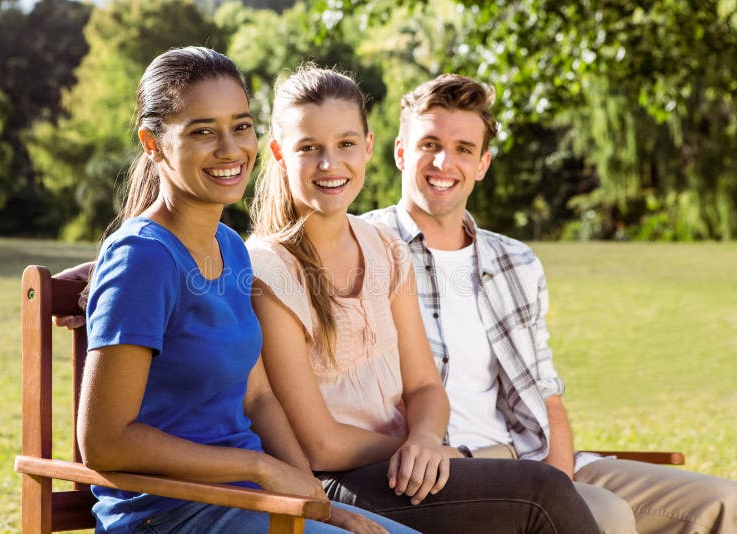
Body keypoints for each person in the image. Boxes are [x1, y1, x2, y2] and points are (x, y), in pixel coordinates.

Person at [362, 73, 737, 534]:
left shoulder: (516, 261)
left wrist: (558, 478)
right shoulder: (364, 247)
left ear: (482, 164)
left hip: (535, 457)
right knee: (606, 516)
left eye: (463, 149)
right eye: (429, 144)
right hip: (446, 471)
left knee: (723, 504)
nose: (444, 162)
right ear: (401, 151)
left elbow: (545, 389)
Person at [77, 46, 418, 534]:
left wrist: (318, 502)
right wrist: (258, 468)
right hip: (170, 515)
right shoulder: (143, 258)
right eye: (202, 131)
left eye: (240, 126)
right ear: (152, 144)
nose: (230, 148)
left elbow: (257, 397)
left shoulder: (230, 247)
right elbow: (105, 442)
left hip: (252, 503)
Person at [246, 64, 599, 534]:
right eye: (309, 148)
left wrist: (427, 437)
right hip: (337, 482)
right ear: (278, 154)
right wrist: (413, 447)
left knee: (542, 489)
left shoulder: (385, 249)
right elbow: (319, 444)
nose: (330, 164)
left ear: (368, 147)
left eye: (346, 144)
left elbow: (425, 388)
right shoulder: (268, 267)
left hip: (407, 466)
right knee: (541, 492)